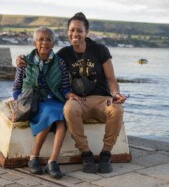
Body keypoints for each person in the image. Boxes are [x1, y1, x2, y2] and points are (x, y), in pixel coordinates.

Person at [57, 12, 127, 174]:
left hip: (102, 99)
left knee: (116, 109)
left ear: (86, 33)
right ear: (67, 32)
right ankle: (86, 154)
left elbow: (111, 79)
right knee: (69, 109)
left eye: (79, 31)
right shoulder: (63, 54)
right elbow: (52, 75)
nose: (75, 34)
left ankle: (105, 154)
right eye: (72, 30)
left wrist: (116, 94)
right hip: (78, 100)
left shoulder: (100, 50)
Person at [13, 26, 71, 179]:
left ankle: (52, 161)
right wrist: (16, 107)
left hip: (55, 100)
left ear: (53, 44)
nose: (44, 43)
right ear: (34, 43)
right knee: (52, 114)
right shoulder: (24, 61)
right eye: (40, 39)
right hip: (34, 102)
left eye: (48, 40)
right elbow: (17, 86)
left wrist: (71, 96)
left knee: (61, 119)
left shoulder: (61, 63)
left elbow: (65, 87)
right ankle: (34, 157)